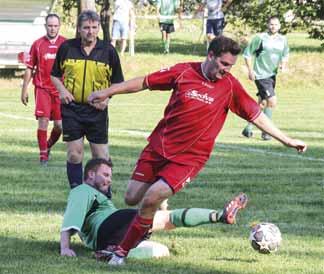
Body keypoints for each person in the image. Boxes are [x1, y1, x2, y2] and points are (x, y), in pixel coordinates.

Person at [87, 35, 307, 265]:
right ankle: (153, 221)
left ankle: (120, 253)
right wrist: (108, 91)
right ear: (210, 56)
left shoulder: (230, 86)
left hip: (189, 159)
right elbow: (144, 82)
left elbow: (256, 116)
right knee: (132, 198)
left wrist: (287, 139)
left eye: (230, 66)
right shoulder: (184, 72)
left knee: (151, 198)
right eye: (223, 64)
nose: (226, 70)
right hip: (157, 148)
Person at [60, 158, 247, 258]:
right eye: (105, 175)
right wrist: (65, 248)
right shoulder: (82, 190)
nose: (109, 180)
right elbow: (70, 221)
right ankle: (219, 216)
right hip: (111, 225)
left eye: (110, 176)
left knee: (161, 250)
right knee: (166, 218)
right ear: (91, 174)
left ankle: (111, 251)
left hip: (111, 234)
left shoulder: (95, 195)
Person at [51, 10, 124, 189]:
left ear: (98, 27)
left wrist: (106, 98)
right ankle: (77, 194)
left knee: (101, 158)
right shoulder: (67, 47)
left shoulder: (108, 51)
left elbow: (118, 82)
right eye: (86, 28)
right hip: (72, 109)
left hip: (96, 111)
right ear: (79, 29)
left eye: (94, 27)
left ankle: (103, 196)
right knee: (74, 154)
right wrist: (62, 90)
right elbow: (54, 75)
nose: (90, 31)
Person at [20, 14, 66, 166]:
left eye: (55, 26)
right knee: (43, 122)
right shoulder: (38, 44)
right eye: (50, 25)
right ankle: (43, 158)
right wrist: (24, 89)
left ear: (59, 26)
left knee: (60, 125)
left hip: (60, 90)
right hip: (42, 89)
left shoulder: (66, 44)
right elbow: (29, 68)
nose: (52, 28)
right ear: (45, 26)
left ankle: (47, 147)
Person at [241, 16, 289, 141]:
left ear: (279, 26)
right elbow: (247, 54)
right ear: (268, 25)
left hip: (272, 75)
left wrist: (283, 66)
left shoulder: (283, 39)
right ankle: (266, 133)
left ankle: (248, 129)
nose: (273, 26)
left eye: (276, 24)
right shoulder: (260, 38)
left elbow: (285, 54)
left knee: (262, 103)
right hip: (261, 75)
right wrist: (251, 71)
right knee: (272, 101)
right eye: (271, 24)